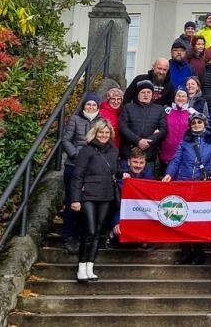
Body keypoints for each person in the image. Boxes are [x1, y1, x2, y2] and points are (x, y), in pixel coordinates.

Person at [164, 112, 211, 265]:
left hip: (201, 184)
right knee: (182, 217)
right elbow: (176, 160)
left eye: (199, 122)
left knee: (198, 219)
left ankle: (199, 253)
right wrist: (169, 174)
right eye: (193, 123)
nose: (196, 125)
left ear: (204, 123)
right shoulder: (184, 142)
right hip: (184, 182)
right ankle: (185, 253)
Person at [68, 119, 121, 283]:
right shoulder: (87, 150)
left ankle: (90, 266)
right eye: (101, 132)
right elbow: (78, 175)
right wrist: (75, 199)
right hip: (89, 194)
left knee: (98, 231)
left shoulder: (114, 151)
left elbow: (113, 172)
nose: (104, 135)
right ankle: (81, 267)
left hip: (106, 194)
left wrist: (123, 175)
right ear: (95, 133)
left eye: (107, 133)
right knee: (89, 231)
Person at [57, 92, 102, 252]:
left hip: (92, 168)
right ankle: (69, 235)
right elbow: (66, 140)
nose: (90, 107)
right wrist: (76, 154)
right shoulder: (75, 119)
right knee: (72, 201)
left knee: (87, 202)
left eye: (94, 105)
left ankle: (84, 235)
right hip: (74, 165)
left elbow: (103, 141)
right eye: (88, 104)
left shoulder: (101, 121)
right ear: (84, 105)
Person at [110, 146, 153, 247]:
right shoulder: (121, 179)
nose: (138, 165)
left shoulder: (150, 180)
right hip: (124, 213)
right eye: (135, 162)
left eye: (141, 162)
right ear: (129, 162)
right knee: (119, 233)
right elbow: (117, 205)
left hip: (143, 214)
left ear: (145, 163)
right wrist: (116, 222)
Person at [119, 80, 166, 168]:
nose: (146, 95)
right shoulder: (128, 107)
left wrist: (149, 141)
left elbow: (163, 130)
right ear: (138, 94)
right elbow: (123, 127)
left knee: (146, 181)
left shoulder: (159, 109)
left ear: (152, 94)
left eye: (149, 92)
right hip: (129, 155)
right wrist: (138, 141)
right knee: (125, 181)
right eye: (143, 92)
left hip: (148, 155)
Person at [159, 89, 194, 171]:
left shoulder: (192, 113)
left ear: (187, 99)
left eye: (183, 96)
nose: (180, 98)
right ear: (174, 97)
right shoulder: (166, 111)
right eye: (178, 96)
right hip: (167, 151)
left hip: (185, 151)